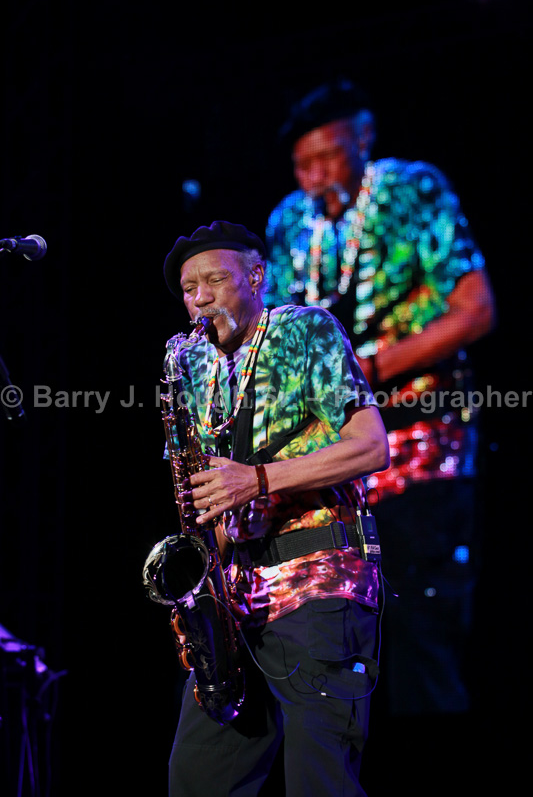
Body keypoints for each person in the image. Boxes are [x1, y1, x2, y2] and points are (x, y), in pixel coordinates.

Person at [264, 79, 495, 723]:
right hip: (330, 465)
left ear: (363, 138)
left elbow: (475, 309)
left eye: (328, 157)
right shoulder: (288, 221)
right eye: (302, 164)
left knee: (421, 635)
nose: (314, 177)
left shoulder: (410, 189)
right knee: (327, 644)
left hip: (420, 446)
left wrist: (366, 371)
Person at [161, 219, 390, 797]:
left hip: (318, 581)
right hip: (237, 603)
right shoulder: (190, 365)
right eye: (189, 289)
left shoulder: (305, 330)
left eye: (215, 280)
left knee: (319, 782)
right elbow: (205, 496)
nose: (200, 298)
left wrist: (258, 480)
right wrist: (201, 597)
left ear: (257, 276)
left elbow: (372, 447)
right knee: (194, 782)